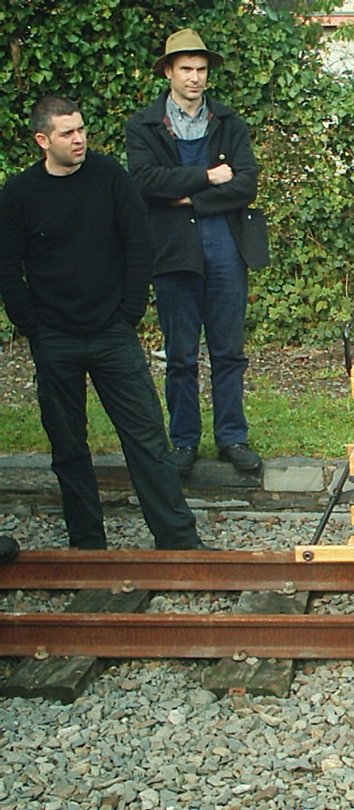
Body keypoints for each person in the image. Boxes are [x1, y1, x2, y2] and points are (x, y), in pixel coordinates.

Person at [0, 96, 209, 551]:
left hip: (113, 333)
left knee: (148, 439)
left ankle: (177, 540)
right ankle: (88, 545)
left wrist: (128, 313)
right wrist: (32, 325)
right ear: (43, 140)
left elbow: (140, 245)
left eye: (81, 130)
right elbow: (7, 266)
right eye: (67, 133)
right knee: (68, 447)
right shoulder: (19, 194)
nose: (79, 139)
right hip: (54, 336)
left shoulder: (110, 177)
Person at [125, 28, 268, 477]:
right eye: (185, 68)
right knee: (181, 354)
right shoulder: (144, 125)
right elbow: (145, 183)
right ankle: (183, 441)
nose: (195, 78)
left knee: (229, 351)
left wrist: (186, 194)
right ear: (168, 71)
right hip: (172, 250)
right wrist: (209, 178)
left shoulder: (229, 123)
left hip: (226, 246)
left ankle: (232, 437)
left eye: (201, 69)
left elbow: (246, 183)